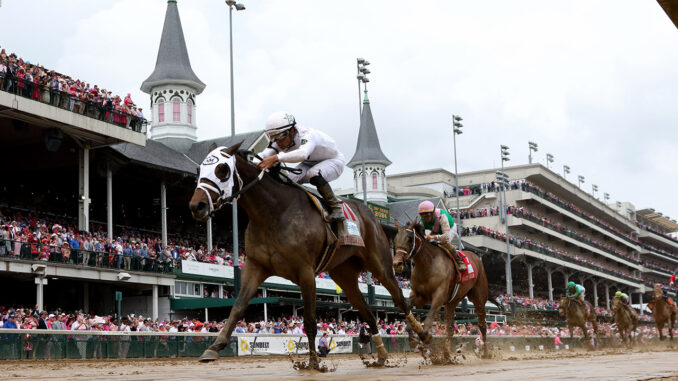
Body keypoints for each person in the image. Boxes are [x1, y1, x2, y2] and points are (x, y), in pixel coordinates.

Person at [257, 112, 346, 222]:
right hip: (309, 163)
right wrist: (253, 161)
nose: (277, 142)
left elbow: (303, 154)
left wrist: (276, 158)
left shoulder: (308, 135)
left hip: (333, 160)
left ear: (292, 131)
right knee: (287, 180)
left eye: (279, 136)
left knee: (313, 174)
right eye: (272, 138)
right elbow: (264, 154)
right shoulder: (282, 138)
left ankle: (336, 209)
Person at [417, 200, 466, 271]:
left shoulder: (442, 216)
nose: (425, 219)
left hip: (450, 228)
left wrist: (432, 237)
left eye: (427, 216)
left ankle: (460, 261)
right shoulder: (422, 221)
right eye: (422, 216)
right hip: (436, 230)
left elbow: (446, 236)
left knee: (444, 242)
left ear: (433, 213)